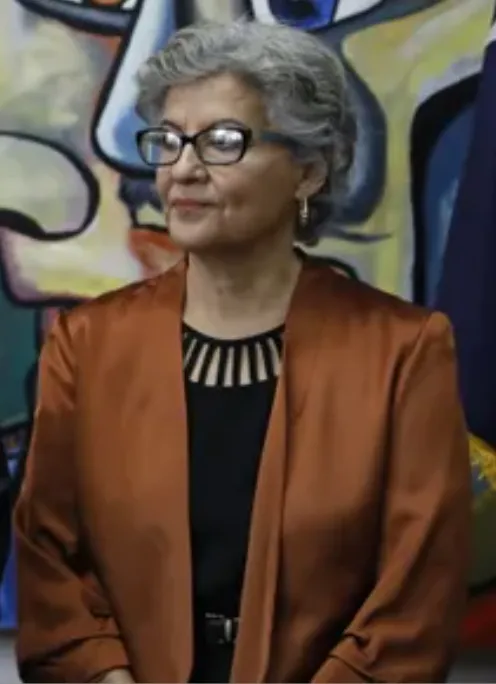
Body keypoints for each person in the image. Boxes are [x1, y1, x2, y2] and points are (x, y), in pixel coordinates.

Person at [14, 19, 472, 684]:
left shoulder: (404, 351)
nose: (183, 169)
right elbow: (49, 565)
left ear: (308, 171)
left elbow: (417, 595)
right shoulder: (87, 345)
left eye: (223, 141)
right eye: (169, 141)